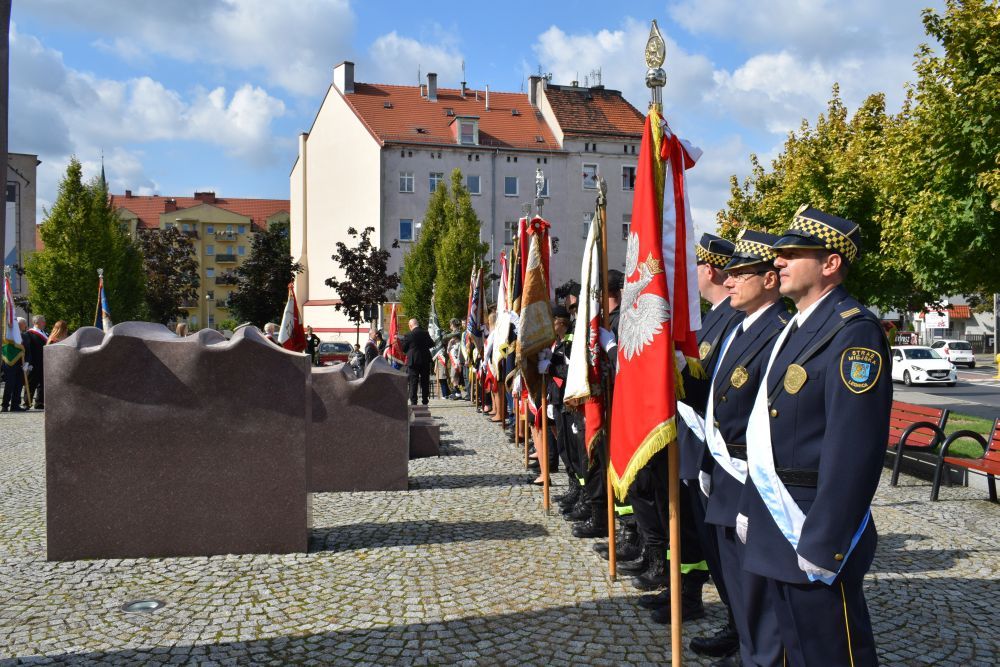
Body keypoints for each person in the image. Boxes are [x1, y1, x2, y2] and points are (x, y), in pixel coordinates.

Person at [739, 206, 890, 667]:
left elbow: (854, 450)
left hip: (810, 528)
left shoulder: (853, 332)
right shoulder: (800, 327)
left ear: (830, 263)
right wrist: (749, 504)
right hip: (778, 523)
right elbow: (767, 430)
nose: (777, 261)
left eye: (792, 254)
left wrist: (827, 540)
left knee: (833, 654)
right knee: (798, 651)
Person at [699, 230, 788, 667]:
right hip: (724, 472)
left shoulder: (778, 331)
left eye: (741, 274)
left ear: (769, 280)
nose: (728, 280)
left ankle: (761, 657)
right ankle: (748, 651)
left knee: (758, 593)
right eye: (728, 273)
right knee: (737, 585)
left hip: (749, 476)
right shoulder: (740, 328)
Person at [400, 317, 434, 406]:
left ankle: (414, 401)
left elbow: (403, 348)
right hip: (425, 359)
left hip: (413, 360)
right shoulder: (425, 333)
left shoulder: (408, 335)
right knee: (425, 380)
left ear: (410, 325)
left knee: (413, 381)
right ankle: (425, 400)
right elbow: (431, 344)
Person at [2, 318, 29, 412]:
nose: (25, 325)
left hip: (21, 363)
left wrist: (27, 362)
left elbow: (28, 350)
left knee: (19, 384)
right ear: (19, 324)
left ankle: (15, 405)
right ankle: (5, 405)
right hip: (10, 363)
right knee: (10, 384)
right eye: (24, 323)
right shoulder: (9, 336)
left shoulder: (25, 336)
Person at [22, 315, 48, 410]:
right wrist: (28, 362)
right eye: (42, 321)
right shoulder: (29, 334)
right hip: (33, 363)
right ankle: (27, 402)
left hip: (44, 362)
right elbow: (27, 349)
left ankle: (39, 403)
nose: (44, 323)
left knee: (42, 383)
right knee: (31, 383)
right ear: (36, 322)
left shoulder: (45, 333)